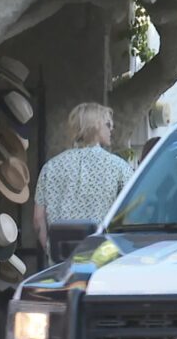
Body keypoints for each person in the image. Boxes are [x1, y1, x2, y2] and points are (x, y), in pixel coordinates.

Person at [33, 102, 134, 258]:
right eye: (108, 124)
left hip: (62, 258)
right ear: (95, 126)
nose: (111, 129)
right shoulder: (119, 167)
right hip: (103, 258)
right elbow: (133, 213)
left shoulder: (50, 167)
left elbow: (38, 219)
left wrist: (50, 250)